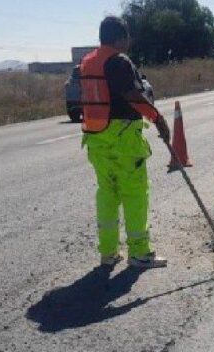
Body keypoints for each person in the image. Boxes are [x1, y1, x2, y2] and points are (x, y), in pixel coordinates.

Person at [79, 16, 172, 269]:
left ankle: (108, 253)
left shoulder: (88, 63)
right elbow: (132, 95)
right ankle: (140, 253)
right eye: (127, 37)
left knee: (107, 194)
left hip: (97, 138)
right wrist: (158, 118)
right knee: (135, 194)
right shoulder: (118, 61)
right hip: (123, 139)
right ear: (120, 37)